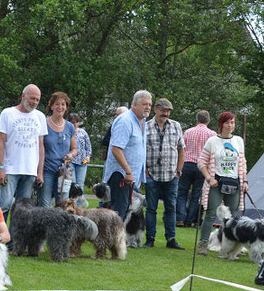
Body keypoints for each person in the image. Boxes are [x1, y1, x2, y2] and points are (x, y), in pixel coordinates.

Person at [196, 111, 248, 256]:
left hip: (234, 183)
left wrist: (244, 180)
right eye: (227, 123)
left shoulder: (238, 141)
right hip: (217, 183)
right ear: (221, 124)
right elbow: (201, 162)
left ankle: (232, 245)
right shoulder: (212, 141)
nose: (230, 126)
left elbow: (242, 162)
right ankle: (203, 244)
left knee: (232, 217)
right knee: (211, 214)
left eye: (232, 123)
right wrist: (208, 178)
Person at [0, 84, 47, 226]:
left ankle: (14, 244)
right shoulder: (8, 113)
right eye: (32, 98)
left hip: (30, 171)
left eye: (37, 100)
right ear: (23, 96)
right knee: (4, 205)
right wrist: (0, 167)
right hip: (10, 169)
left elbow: (41, 146)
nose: (35, 102)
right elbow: (0, 141)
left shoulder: (40, 116)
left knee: (22, 211)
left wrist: (40, 172)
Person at [102, 90, 151, 220]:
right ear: (134, 104)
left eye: (150, 105)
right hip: (121, 174)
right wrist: (128, 171)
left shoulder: (142, 122)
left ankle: (117, 239)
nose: (148, 107)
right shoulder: (125, 121)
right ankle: (113, 240)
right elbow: (116, 149)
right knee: (119, 211)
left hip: (130, 175)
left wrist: (140, 171)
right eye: (144, 104)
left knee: (123, 210)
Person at [144, 98, 185, 249]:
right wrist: (145, 171)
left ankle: (171, 239)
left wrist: (179, 171)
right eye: (163, 110)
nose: (165, 113)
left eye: (168, 111)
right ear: (155, 109)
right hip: (152, 175)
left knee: (171, 208)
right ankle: (150, 238)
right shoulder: (146, 126)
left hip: (171, 175)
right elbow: (140, 150)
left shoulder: (176, 126)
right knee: (151, 208)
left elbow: (181, 149)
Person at [176, 110, 216, 228]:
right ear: (208, 121)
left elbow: (182, 148)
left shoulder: (188, 132)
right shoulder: (212, 134)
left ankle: (180, 219)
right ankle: (190, 220)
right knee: (197, 194)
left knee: (182, 192)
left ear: (197, 120)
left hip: (187, 164)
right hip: (202, 167)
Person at [39, 91, 77, 208]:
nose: (60, 107)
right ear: (51, 106)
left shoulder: (70, 127)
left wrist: (70, 155)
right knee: (45, 204)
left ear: (66, 108)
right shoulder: (43, 124)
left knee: (63, 204)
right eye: (57, 104)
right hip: (47, 170)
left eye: (63, 104)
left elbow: (74, 149)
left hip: (64, 172)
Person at [68, 112, 92, 207]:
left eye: (76, 122)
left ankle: (79, 208)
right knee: (72, 185)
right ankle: (71, 205)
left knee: (80, 185)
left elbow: (88, 146)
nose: (75, 124)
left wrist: (88, 157)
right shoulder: (67, 131)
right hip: (71, 161)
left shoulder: (83, 132)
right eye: (72, 122)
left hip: (82, 162)